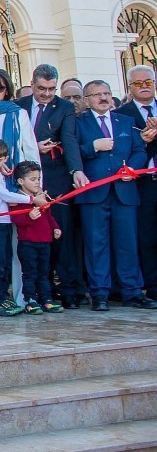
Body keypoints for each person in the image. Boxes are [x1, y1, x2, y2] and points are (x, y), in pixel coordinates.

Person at [75, 80, 157, 311]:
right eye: (96, 94)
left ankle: (131, 291)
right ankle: (100, 293)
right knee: (96, 245)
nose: (103, 98)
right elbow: (73, 152)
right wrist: (93, 147)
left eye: (106, 93)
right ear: (87, 99)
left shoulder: (126, 121)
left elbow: (139, 150)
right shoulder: (78, 123)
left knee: (127, 243)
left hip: (125, 192)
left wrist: (132, 168)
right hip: (94, 193)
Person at [15, 64, 86, 308]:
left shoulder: (64, 107)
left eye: (51, 89)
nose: (47, 94)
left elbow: (69, 139)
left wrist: (76, 170)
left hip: (56, 180)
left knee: (60, 235)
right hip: (26, 183)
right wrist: (35, 145)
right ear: (32, 84)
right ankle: (36, 293)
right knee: (32, 239)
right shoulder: (20, 106)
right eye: (42, 88)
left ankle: (68, 291)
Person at [0, 138, 36, 317]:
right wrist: (32, 199)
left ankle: (3, 296)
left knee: (4, 262)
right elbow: (4, 194)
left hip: (3, 221)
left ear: (6, 158)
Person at [115, 65, 157, 298]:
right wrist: (142, 140)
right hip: (144, 181)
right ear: (130, 87)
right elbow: (124, 149)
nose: (144, 87)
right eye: (138, 83)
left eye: (148, 82)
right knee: (147, 234)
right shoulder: (124, 114)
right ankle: (152, 286)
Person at [9, 161, 63, 315]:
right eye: (32, 179)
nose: (37, 182)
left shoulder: (40, 197)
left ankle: (46, 299)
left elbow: (49, 216)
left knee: (44, 272)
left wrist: (56, 227)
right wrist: (29, 216)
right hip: (28, 243)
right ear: (20, 181)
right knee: (30, 273)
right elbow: (17, 221)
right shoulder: (17, 199)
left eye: (38, 179)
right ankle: (30, 300)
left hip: (45, 242)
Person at [0, 68, 39, 176]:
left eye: (0, 88)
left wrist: (36, 181)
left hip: (18, 169)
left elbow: (30, 149)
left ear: (7, 90)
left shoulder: (19, 113)